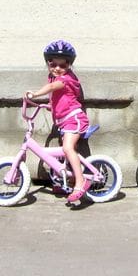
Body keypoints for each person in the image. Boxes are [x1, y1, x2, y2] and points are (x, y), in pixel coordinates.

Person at [25, 40, 90, 204]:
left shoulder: (65, 79)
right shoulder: (53, 77)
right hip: (64, 121)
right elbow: (60, 97)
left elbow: (54, 88)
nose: (58, 69)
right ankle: (66, 181)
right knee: (64, 152)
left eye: (63, 65)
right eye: (53, 64)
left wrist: (35, 94)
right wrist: (51, 106)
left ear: (69, 65)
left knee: (68, 148)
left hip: (74, 119)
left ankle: (80, 183)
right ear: (48, 62)